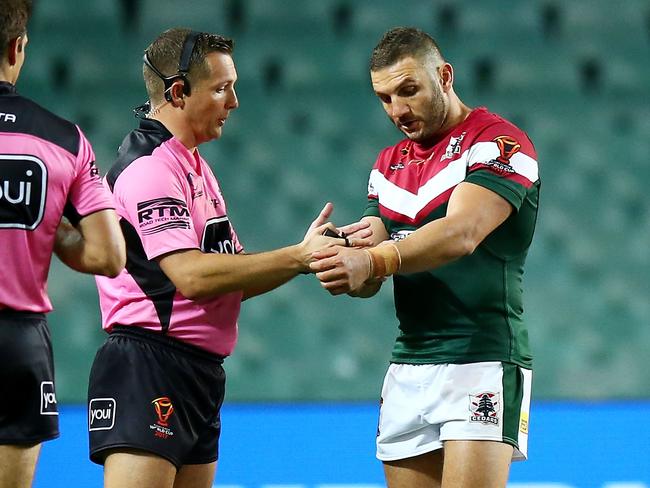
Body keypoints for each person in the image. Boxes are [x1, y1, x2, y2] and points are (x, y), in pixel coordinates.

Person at [87, 28, 369, 488]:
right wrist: (297, 257)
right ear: (178, 92)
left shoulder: (194, 166)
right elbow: (192, 277)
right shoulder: (150, 169)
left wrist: (308, 253)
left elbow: (232, 272)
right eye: (222, 88)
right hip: (149, 366)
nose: (234, 102)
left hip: (197, 373)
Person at [311, 27, 539, 488]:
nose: (397, 109)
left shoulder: (499, 144)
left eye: (408, 90)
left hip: (482, 358)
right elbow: (373, 259)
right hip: (408, 362)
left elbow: (461, 234)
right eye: (385, 97)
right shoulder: (387, 163)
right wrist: (339, 255)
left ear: (445, 76)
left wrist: (373, 262)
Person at [0, 1, 126, 487]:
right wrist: (47, 224)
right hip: (18, 345)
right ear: (18, 47)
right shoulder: (64, 140)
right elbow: (108, 255)